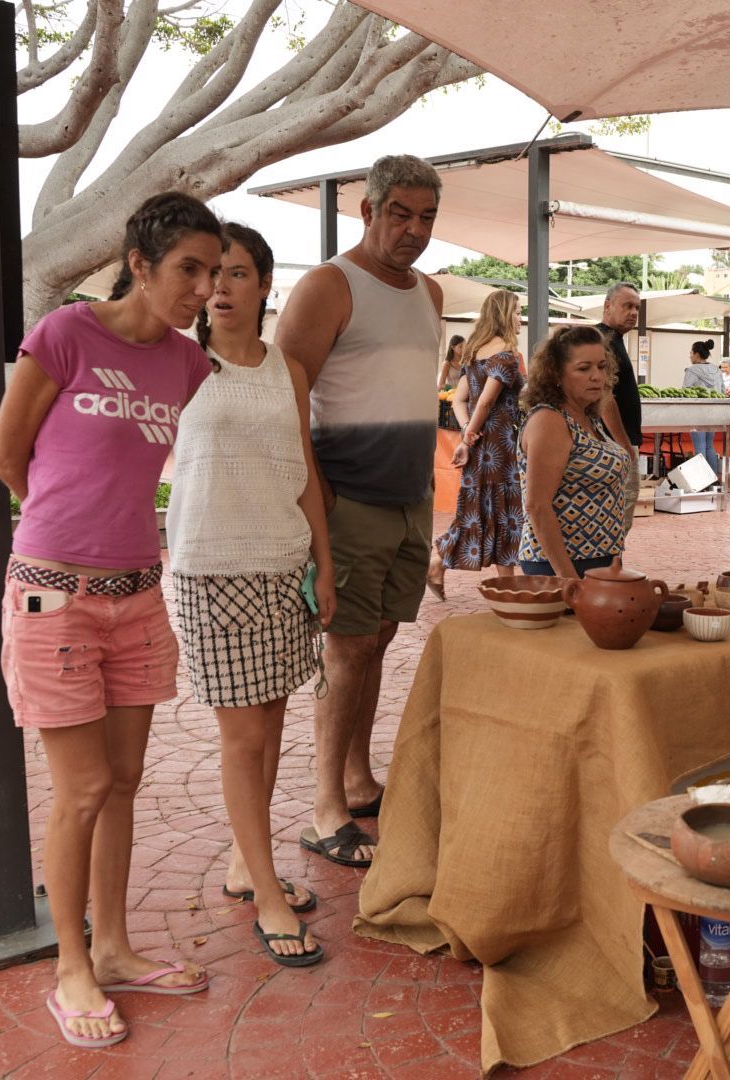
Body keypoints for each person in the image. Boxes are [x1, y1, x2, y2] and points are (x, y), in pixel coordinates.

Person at [0, 193, 222, 1048]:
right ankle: (71, 965)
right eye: (188, 269)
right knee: (82, 789)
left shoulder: (190, 367)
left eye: (214, 271)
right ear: (140, 262)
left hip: (139, 594)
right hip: (55, 592)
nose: (203, 288)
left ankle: (117, 947)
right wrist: (65, 536)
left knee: (123, 784)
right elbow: (6, 456)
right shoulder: (63, 335)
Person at [276, 154, 445, 870]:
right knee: (345, 651)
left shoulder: (430, 294)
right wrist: (322, 503)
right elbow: (283, 398)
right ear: (368, 211)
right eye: (400, 213)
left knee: (374, 642)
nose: (413, 230)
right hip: (349, 501)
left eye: (427, 216)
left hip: (410, 500)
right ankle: (324, 810)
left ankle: (356, 778)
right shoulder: (328, 286)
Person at [169, 222, 332, 968]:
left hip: (281, 565)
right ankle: (267, 891)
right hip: (211, 568)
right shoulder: (178, 363)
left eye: (237, 274)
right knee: (242, 738)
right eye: (211, 275)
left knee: (268, 729)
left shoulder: (286, 370)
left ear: (266, 285)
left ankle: (244, 861)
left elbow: (304, 470)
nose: (220, 287)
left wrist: (324, 565)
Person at [427, 289, 526, 599]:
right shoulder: (507, 356)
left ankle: (438, 562)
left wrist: (468, 434)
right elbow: (484, 403)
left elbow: (460, 400)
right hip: (502, 445)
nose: (520, 317)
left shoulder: (475, 351)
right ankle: (507, 587)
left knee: (479, 510)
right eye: (517, 311)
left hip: (482, 444)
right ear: (504, 314)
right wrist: (471, 432)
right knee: (506, 510)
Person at [517, 325, 630, 578]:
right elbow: (537, 506)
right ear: (556, 374)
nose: (597, 376)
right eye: (584, 368)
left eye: (602, 366)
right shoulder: (550, 420)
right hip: (561, 567)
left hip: (597, 562)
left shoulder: (588, 416)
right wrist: (569, 580)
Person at [596, 283, 643, 533]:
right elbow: (605, 396)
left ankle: (611, 566)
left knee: (618, 513)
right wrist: (625, 445)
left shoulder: (614, 339)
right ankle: (609, 568)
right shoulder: (603, 340)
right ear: (607, 306)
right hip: (613, 442)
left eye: (637, 307)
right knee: (617, 513)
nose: (634, 312)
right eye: (627, 306)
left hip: (614, 442)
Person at [682, 340, 725, 478]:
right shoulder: (717, 370)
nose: (690, 356)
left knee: (699, 446)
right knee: (709, 445)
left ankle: (701, 480)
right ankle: (713, 479)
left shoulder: (692, 370)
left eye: (691, 353)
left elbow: (685, 392)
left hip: (698, 413)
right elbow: (723, 391)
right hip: (714, 413)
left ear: (697, 354)